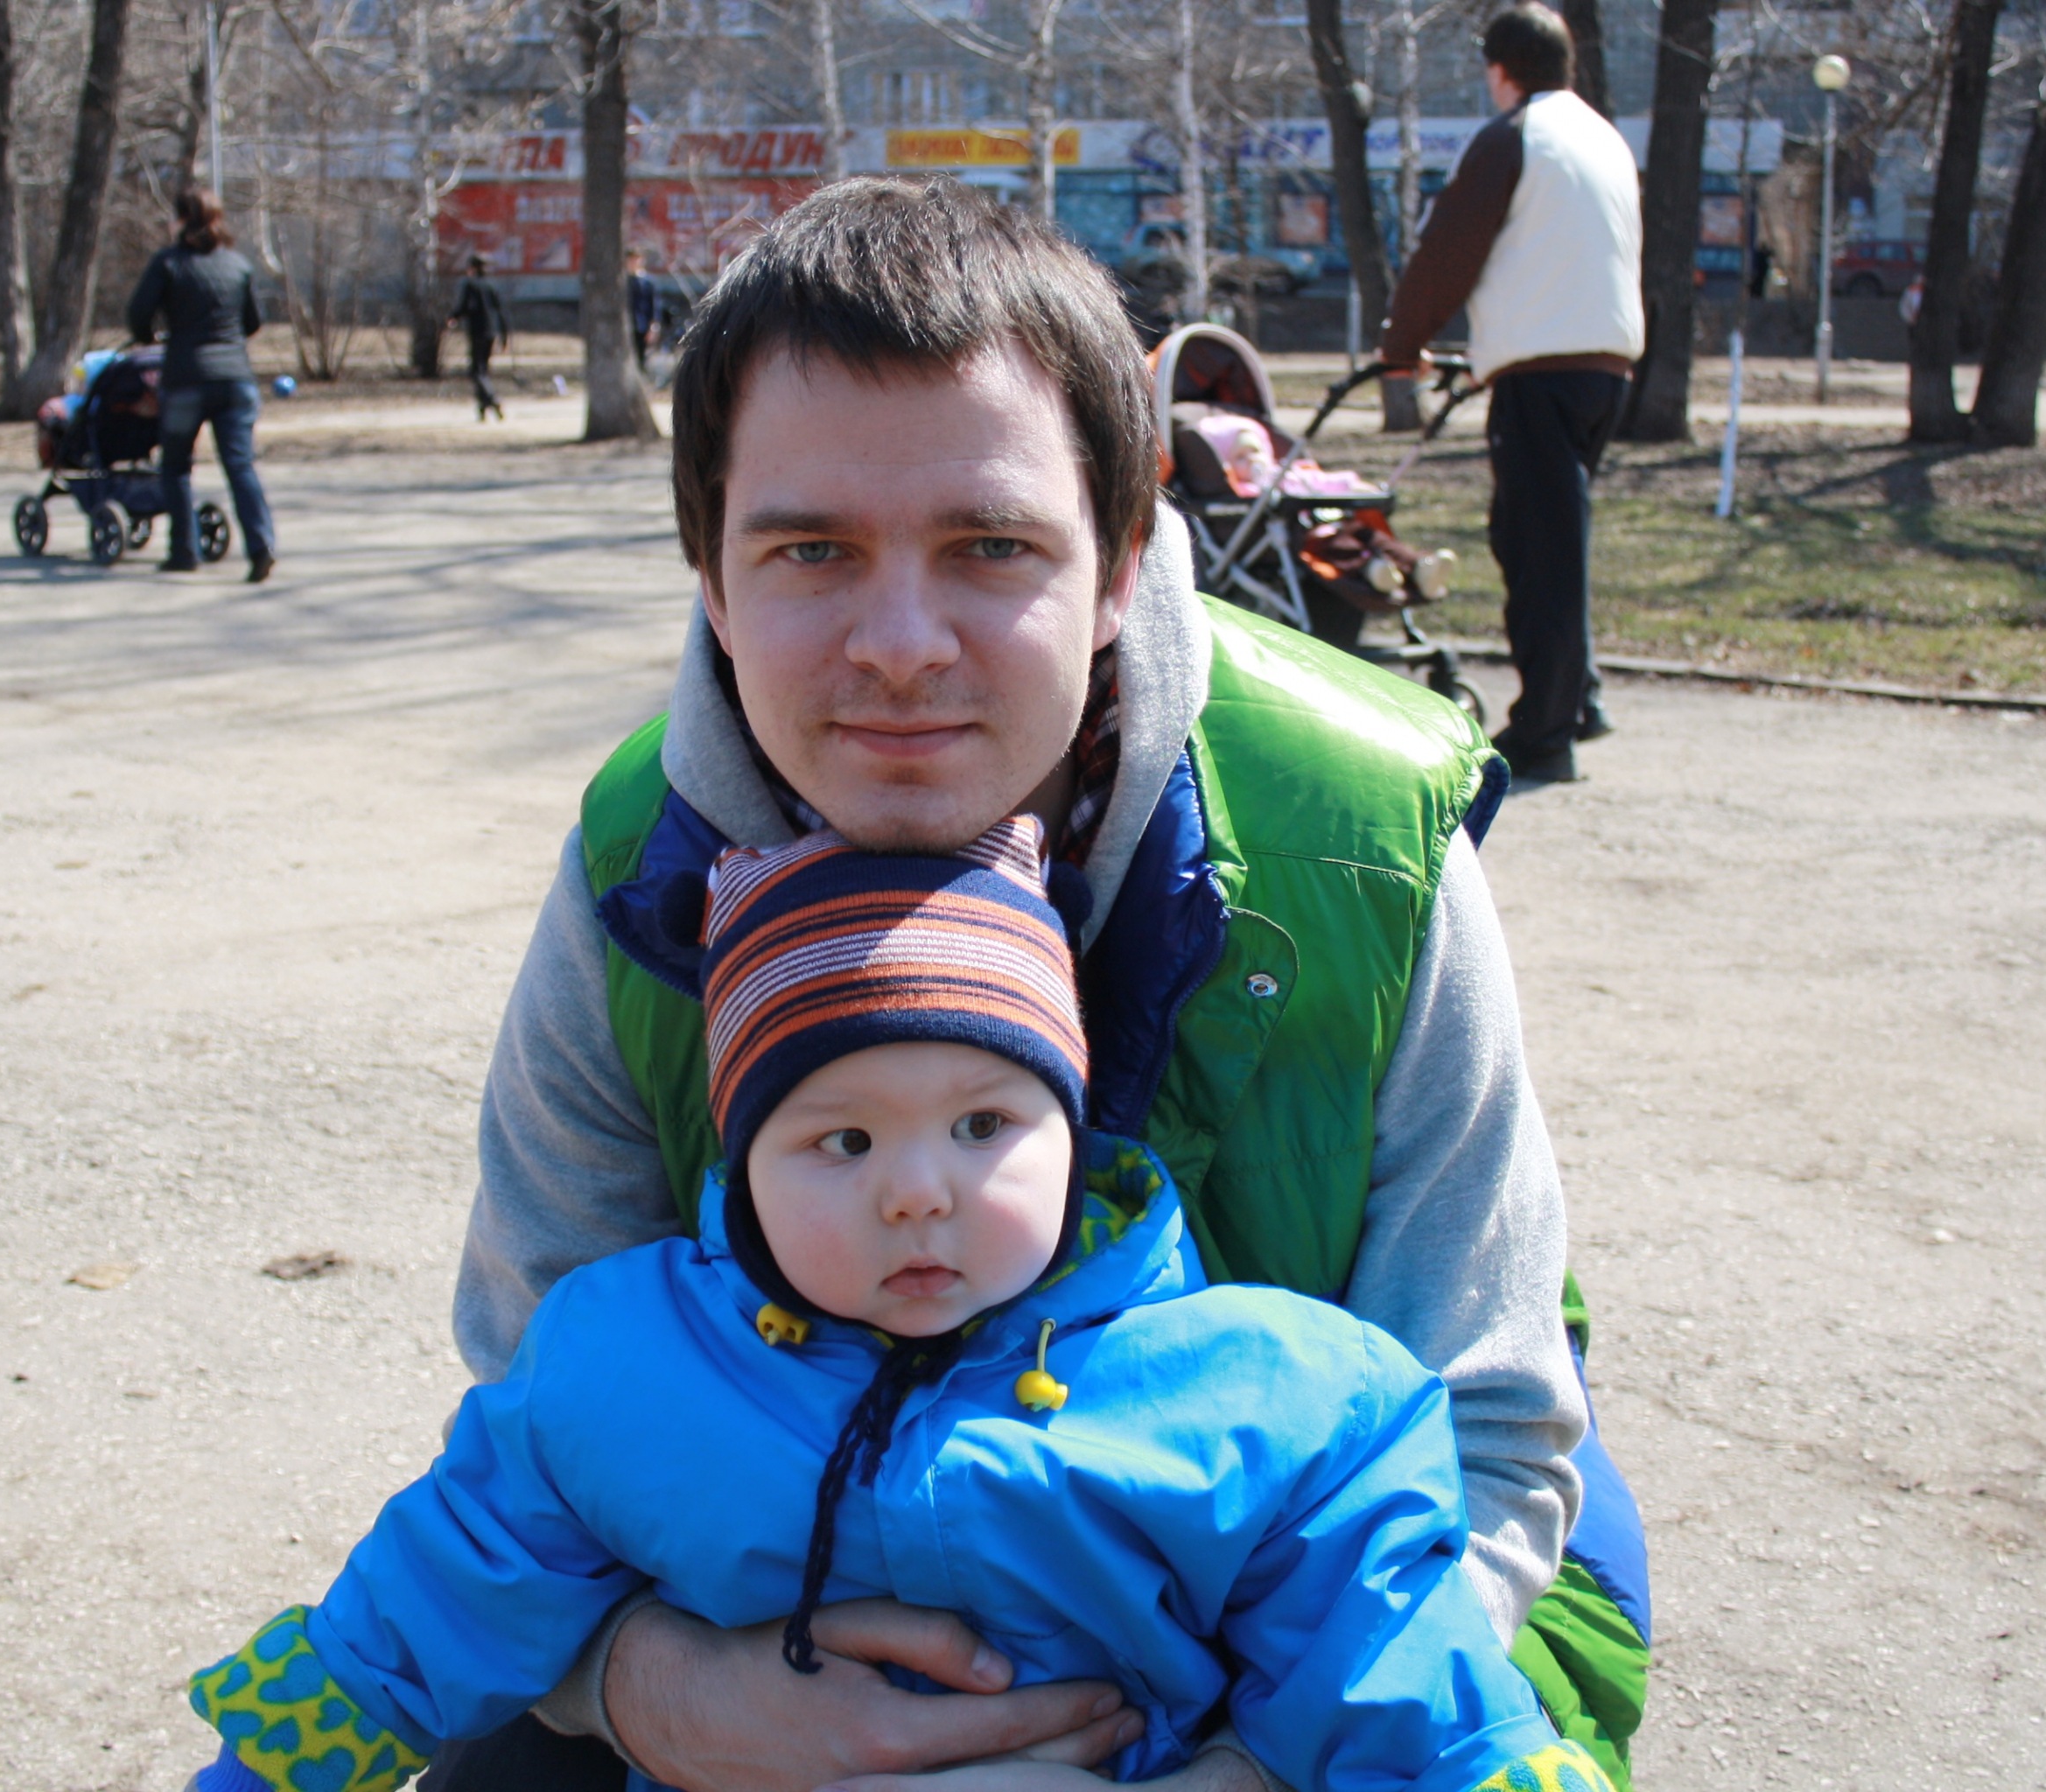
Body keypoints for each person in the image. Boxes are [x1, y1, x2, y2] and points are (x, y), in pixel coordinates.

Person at [434, 177, 1651, 1792]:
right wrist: (651, 1688)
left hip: (1333, 1638)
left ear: (1121, 560)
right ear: (712, 578)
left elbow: (1486, 1423)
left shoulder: (1359, 838)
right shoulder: (635, 865)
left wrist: (1244, 1776)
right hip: (778, 1626)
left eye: (991, 545)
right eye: (809, 549)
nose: (899, 644)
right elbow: (538, 1392)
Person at [185, 820, 1616, 1792]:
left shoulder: (1266, 1390)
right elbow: (441, 1587)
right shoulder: (624, 1367)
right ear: (743, 1169)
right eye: (842, 1140)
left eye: (985, 1124)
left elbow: (1378, 1645)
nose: (918, 1191)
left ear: (1076, 1137)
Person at [1377, 3, 1643, 785]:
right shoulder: (1602, 137)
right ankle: (1577, 696)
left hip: (1541, 374)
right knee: (1552, 538)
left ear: (1499, 70)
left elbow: (1449, 248)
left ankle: (1544, 731)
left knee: (1537, 550)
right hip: (1605, 366)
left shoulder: (1515, 136)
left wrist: (1402, 346)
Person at [128, 186, 277, 584]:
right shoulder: (237, 265)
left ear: (180, 220)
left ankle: (184, 551)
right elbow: (253, 323)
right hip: (235, 379)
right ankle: (261, 545)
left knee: (176, 467)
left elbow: (138, 315)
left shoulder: (168, 263)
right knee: (240, 466)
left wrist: (151, 335)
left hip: (186, 379)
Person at [452, 256, 509, 422]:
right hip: (491, 332)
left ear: (473, 268)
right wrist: (504, 336)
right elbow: (500, 311)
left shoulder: (470, 285)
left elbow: (465, 306)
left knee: (476, 371)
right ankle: (482, 410)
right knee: (483, 370)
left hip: (477, 331)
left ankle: (493, 400)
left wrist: (453, 317)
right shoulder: (491, 285)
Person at [627, 249, 667, 372]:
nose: (634, 262)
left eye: (637, 259)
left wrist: (653, 326)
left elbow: (655, 305)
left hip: (642, 325)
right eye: (631, 260)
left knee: (642, 357)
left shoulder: (648, 282)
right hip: (627, 324)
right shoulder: (623, 281)